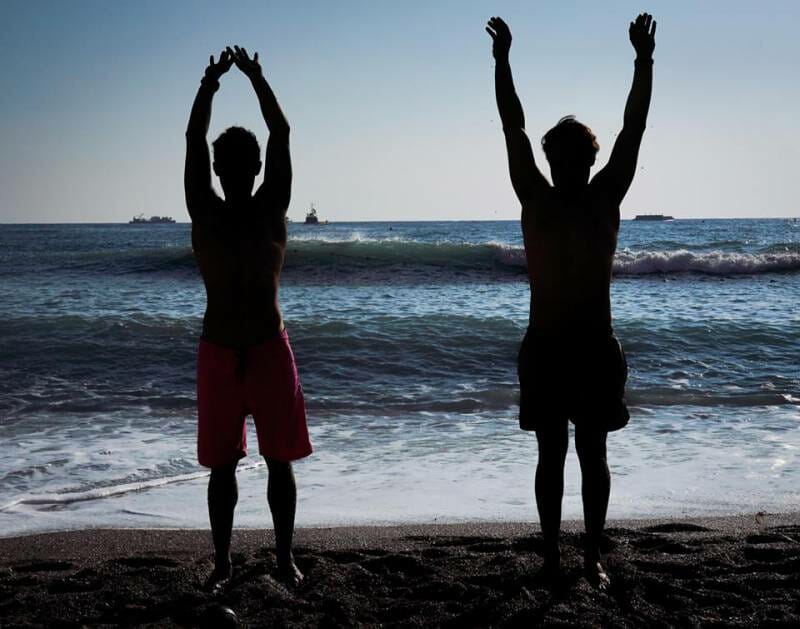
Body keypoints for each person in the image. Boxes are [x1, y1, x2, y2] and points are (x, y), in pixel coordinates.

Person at [486, 14, 656, 588]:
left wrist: (643, 62)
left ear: (584, 160)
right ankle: (561, 557)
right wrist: (502, 62)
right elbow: (513, 127)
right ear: (556, 159)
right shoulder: (537, 194)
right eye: (561, 158)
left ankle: (586, 558)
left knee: (589, 456)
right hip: (551, 345)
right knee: (556, 455)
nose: (567, 165)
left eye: (573, 158)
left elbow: (634, 128)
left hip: (587, 345)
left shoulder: (603, 194)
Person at [185, 45, 312, 589]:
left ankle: (283, 558)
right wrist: (211, 86)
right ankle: (222, 563)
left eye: (242, 164)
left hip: (265, 345)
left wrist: (253, 80)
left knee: (279, 461)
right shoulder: (206, 209)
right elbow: (194, 140)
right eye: (226, 165)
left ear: (253, 168)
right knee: (222, 467)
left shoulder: (269, 208)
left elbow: (281, 135)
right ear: (219, 169)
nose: (234, 171)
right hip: (220, 350)